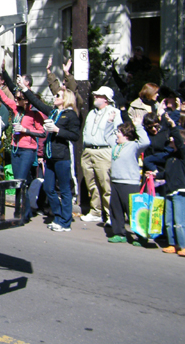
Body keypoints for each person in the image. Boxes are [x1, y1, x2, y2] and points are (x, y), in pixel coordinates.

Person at [19, 76, 81, 232]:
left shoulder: (71, 115)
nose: (55, 97)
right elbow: (37, 103)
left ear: (65, 99)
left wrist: (58, 130)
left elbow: (75, 136)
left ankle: (65, 222)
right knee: (48, 188)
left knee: (65, 190)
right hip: (49, 156)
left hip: (62, 157)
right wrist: (24, 88)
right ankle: (58, 216)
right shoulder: (53, 112)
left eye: (58, 96)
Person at [0, 84, 46, 222]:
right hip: (15, 148)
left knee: (21, 180)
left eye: (19, 98)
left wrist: (25, 130)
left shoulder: (35, 113)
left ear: (26, 100)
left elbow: (42, 132)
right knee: (18, 182)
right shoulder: (17, 110)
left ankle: (22, 213)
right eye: (16, 98)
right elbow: (4, 98)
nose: (16, 100)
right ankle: (25, 212)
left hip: (27, 150)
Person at [104, 112, 150, 245]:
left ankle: (141, 236)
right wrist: (109, 122)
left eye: (118, 132)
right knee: (116, 209)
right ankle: (119, 233)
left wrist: (138, 126)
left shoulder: (134, 145)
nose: (116, 134)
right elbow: (107, 136)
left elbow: (146, 141)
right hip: (116, 181)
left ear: (125, 134)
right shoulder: (116, 145)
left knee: (133, 210)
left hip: (130, 182)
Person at [79, 86, 120, 223]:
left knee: (105, 184)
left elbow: (118, 132)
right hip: (89, 150)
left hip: (104, 150)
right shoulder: (91, 113)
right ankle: (96, 211)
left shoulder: (114, 112)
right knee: (92, 183)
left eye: (99, 95)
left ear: (106, 99)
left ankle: (110, 215)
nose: (95, 97)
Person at [158, 113, 185, 256]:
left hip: (180, 191)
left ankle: (183, 245)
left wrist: (174, 126)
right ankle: (172, 243)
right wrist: (154, 175)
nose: (171, 139)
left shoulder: (182, 156)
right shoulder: (171, 157)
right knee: (168, 221)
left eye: (173, 138)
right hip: (169, 190)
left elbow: (180, 143)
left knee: (179, 221)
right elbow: (165, 173)